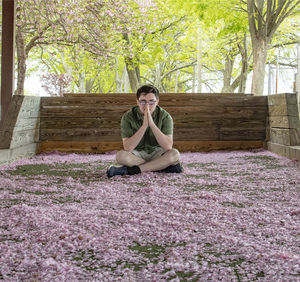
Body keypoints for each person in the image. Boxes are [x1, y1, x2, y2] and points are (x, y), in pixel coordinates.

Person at [107, 84, 183, 178]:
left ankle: (132, 170)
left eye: (151, 102)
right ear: (137, 102)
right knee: (120, 156)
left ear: (157, 101)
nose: (147, 106)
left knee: (174, 154)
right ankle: (161, 167)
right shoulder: (128, 117)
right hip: (137, 154)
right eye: (143, 102)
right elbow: (128, 148)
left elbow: (168, 146)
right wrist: (144, 126)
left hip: (158, 153)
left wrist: (151, 124)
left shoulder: (165, 117)